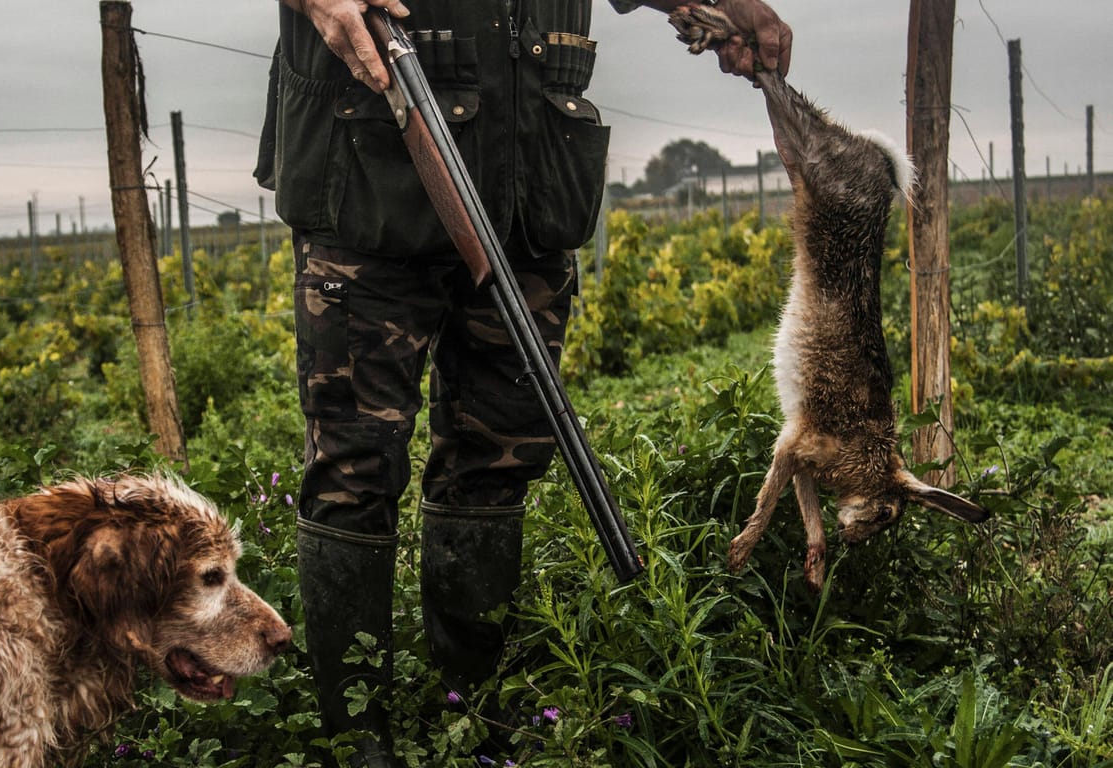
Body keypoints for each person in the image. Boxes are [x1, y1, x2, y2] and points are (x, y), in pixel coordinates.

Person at [254, 1, 792, 765]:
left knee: (499, 456)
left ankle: (474, 710)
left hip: (531, 173)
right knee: (356, 463)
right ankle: (358, 739)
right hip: (369, 165)